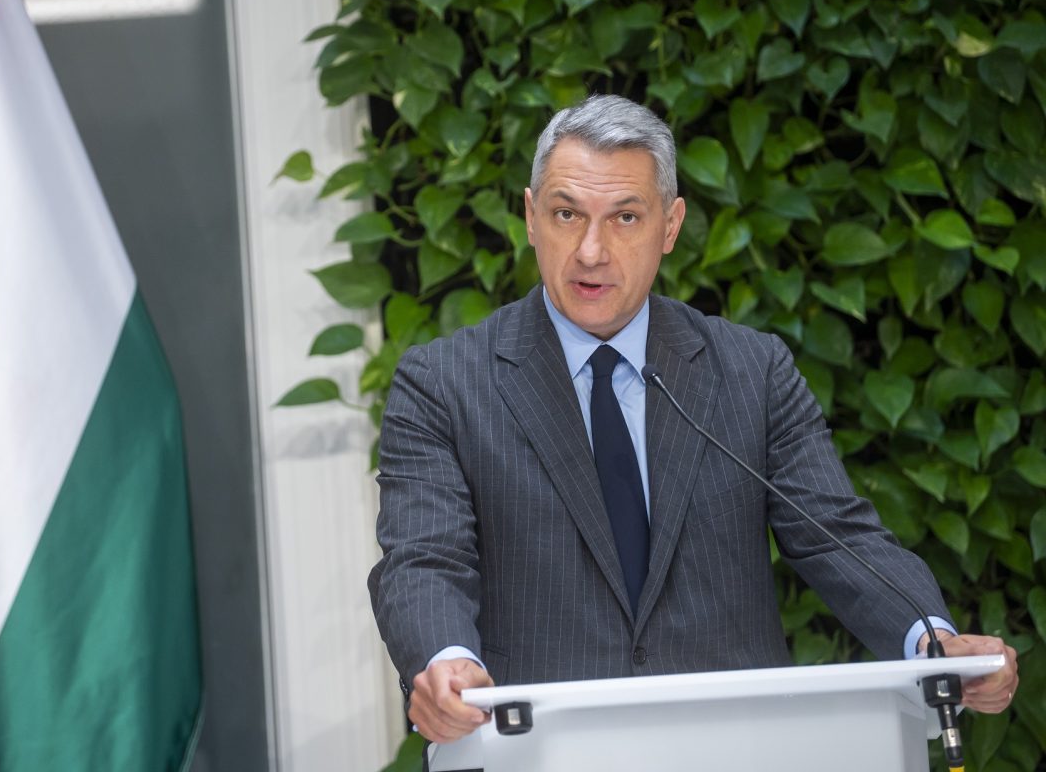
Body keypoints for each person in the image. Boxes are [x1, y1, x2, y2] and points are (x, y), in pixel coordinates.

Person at [367, 94, 1018, 745]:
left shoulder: (752, 370)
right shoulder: (443, 383)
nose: (591, 251)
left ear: (671, 226)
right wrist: (445, 659)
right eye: (567, 214)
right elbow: (425, 559)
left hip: (736, 744)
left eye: (625, 217)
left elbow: (837, 535)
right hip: (536, 748)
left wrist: (931, 639)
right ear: (531, 217)